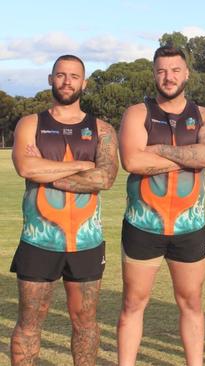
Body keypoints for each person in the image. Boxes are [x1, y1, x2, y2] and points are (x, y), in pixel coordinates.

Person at [116, 45, 205, 366]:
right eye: (162, 70)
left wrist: (157, 149)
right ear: (154, 74)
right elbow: (132, 160)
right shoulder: (137, 113)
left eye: (175, 70)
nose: (169, 77)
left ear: (187, 73)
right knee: (134, 303)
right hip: (142, 226)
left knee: (191, 303)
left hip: (189, 228)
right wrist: (187, 158)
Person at [10, 54, 118, 366]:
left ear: (84, 83)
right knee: (30, 322)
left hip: (86, 242)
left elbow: (105, 178)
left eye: (74, 76)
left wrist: (48, 170)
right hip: (38, 239)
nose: (67, 81)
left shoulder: (102, 130)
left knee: (85, 321)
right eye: (60, 75)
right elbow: (26, 167)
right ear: (50, 79)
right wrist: (82, 165)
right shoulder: (31, 123)